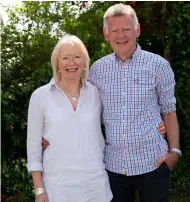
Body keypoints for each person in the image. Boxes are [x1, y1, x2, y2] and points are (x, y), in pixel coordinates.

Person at [88, 3, 181, 202]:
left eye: (126, 29)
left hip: (153, 164)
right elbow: (83, 110)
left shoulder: (158, 66)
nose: (121, 35)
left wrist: (174, 151)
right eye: (115, 30)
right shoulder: (96, 70)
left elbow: (169, 111)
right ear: (106, 34)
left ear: (137, 30)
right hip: (113, 167)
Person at [27, 34, 113, 202]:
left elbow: (114, 121)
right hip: (58, 189)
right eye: (65, 57)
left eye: (77, 57)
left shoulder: (96, 93)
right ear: (57, 64)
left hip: (96, 187)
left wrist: (155, 124)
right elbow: (33, 146)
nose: (71, 63)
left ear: (84, 62)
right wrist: (39, 189)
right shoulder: (40, 96)